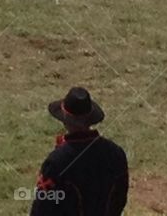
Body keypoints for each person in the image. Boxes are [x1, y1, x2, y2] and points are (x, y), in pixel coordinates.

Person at [29, 87, 128, 215]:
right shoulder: (116, 154)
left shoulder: (57, 162)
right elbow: (119, 199)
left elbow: (42, 208)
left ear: (64, 120)